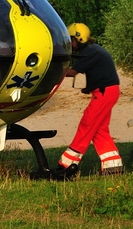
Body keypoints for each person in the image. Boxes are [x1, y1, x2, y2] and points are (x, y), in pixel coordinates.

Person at [53, 23, 124, 179]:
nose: (70, 43)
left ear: (78, 38)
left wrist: (52, 68)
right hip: (108, 91)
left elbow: (72, 72)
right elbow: (99, 72)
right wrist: (89, 87)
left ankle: (67, 164)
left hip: (105, 92)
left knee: (87, 124)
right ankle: (113, 165)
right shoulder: (94, 49)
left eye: (71, 39)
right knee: (99, 128)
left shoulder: (89, 52)